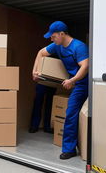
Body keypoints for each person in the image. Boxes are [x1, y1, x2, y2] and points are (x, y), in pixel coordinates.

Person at [33, 21, 88, 160]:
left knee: (70, 113)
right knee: (71, 112)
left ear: (62, 34)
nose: (51, 39)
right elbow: (41, 53)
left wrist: (72, 80)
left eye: (53, 36)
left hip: (83, 83)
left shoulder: (79, 46)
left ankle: (69, 149)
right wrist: (35, 71)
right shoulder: (58, 46)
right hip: (71, 82)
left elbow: (85, 66)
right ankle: (70, 147)